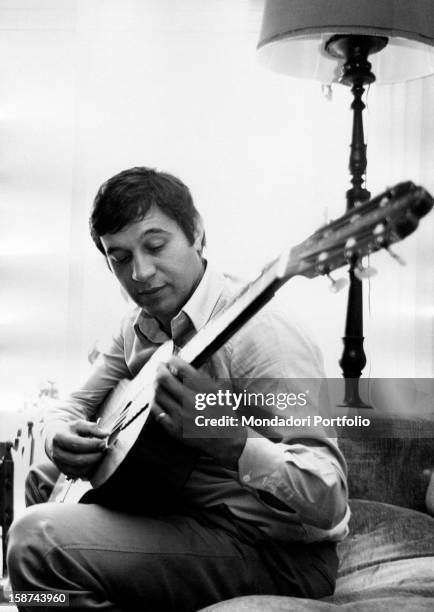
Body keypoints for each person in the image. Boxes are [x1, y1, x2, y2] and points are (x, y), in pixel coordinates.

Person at [7, 167, 349, 612]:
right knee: (46, 480)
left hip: (275, 553)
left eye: (155, 246)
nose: (141, 273)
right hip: (181, 513)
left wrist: (232, 440)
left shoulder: (264, 334)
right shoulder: (139, 325)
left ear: (197, 234)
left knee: (36, 539)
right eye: (120, 258)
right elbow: (75, 403)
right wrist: (56, 434)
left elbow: (330, 498)